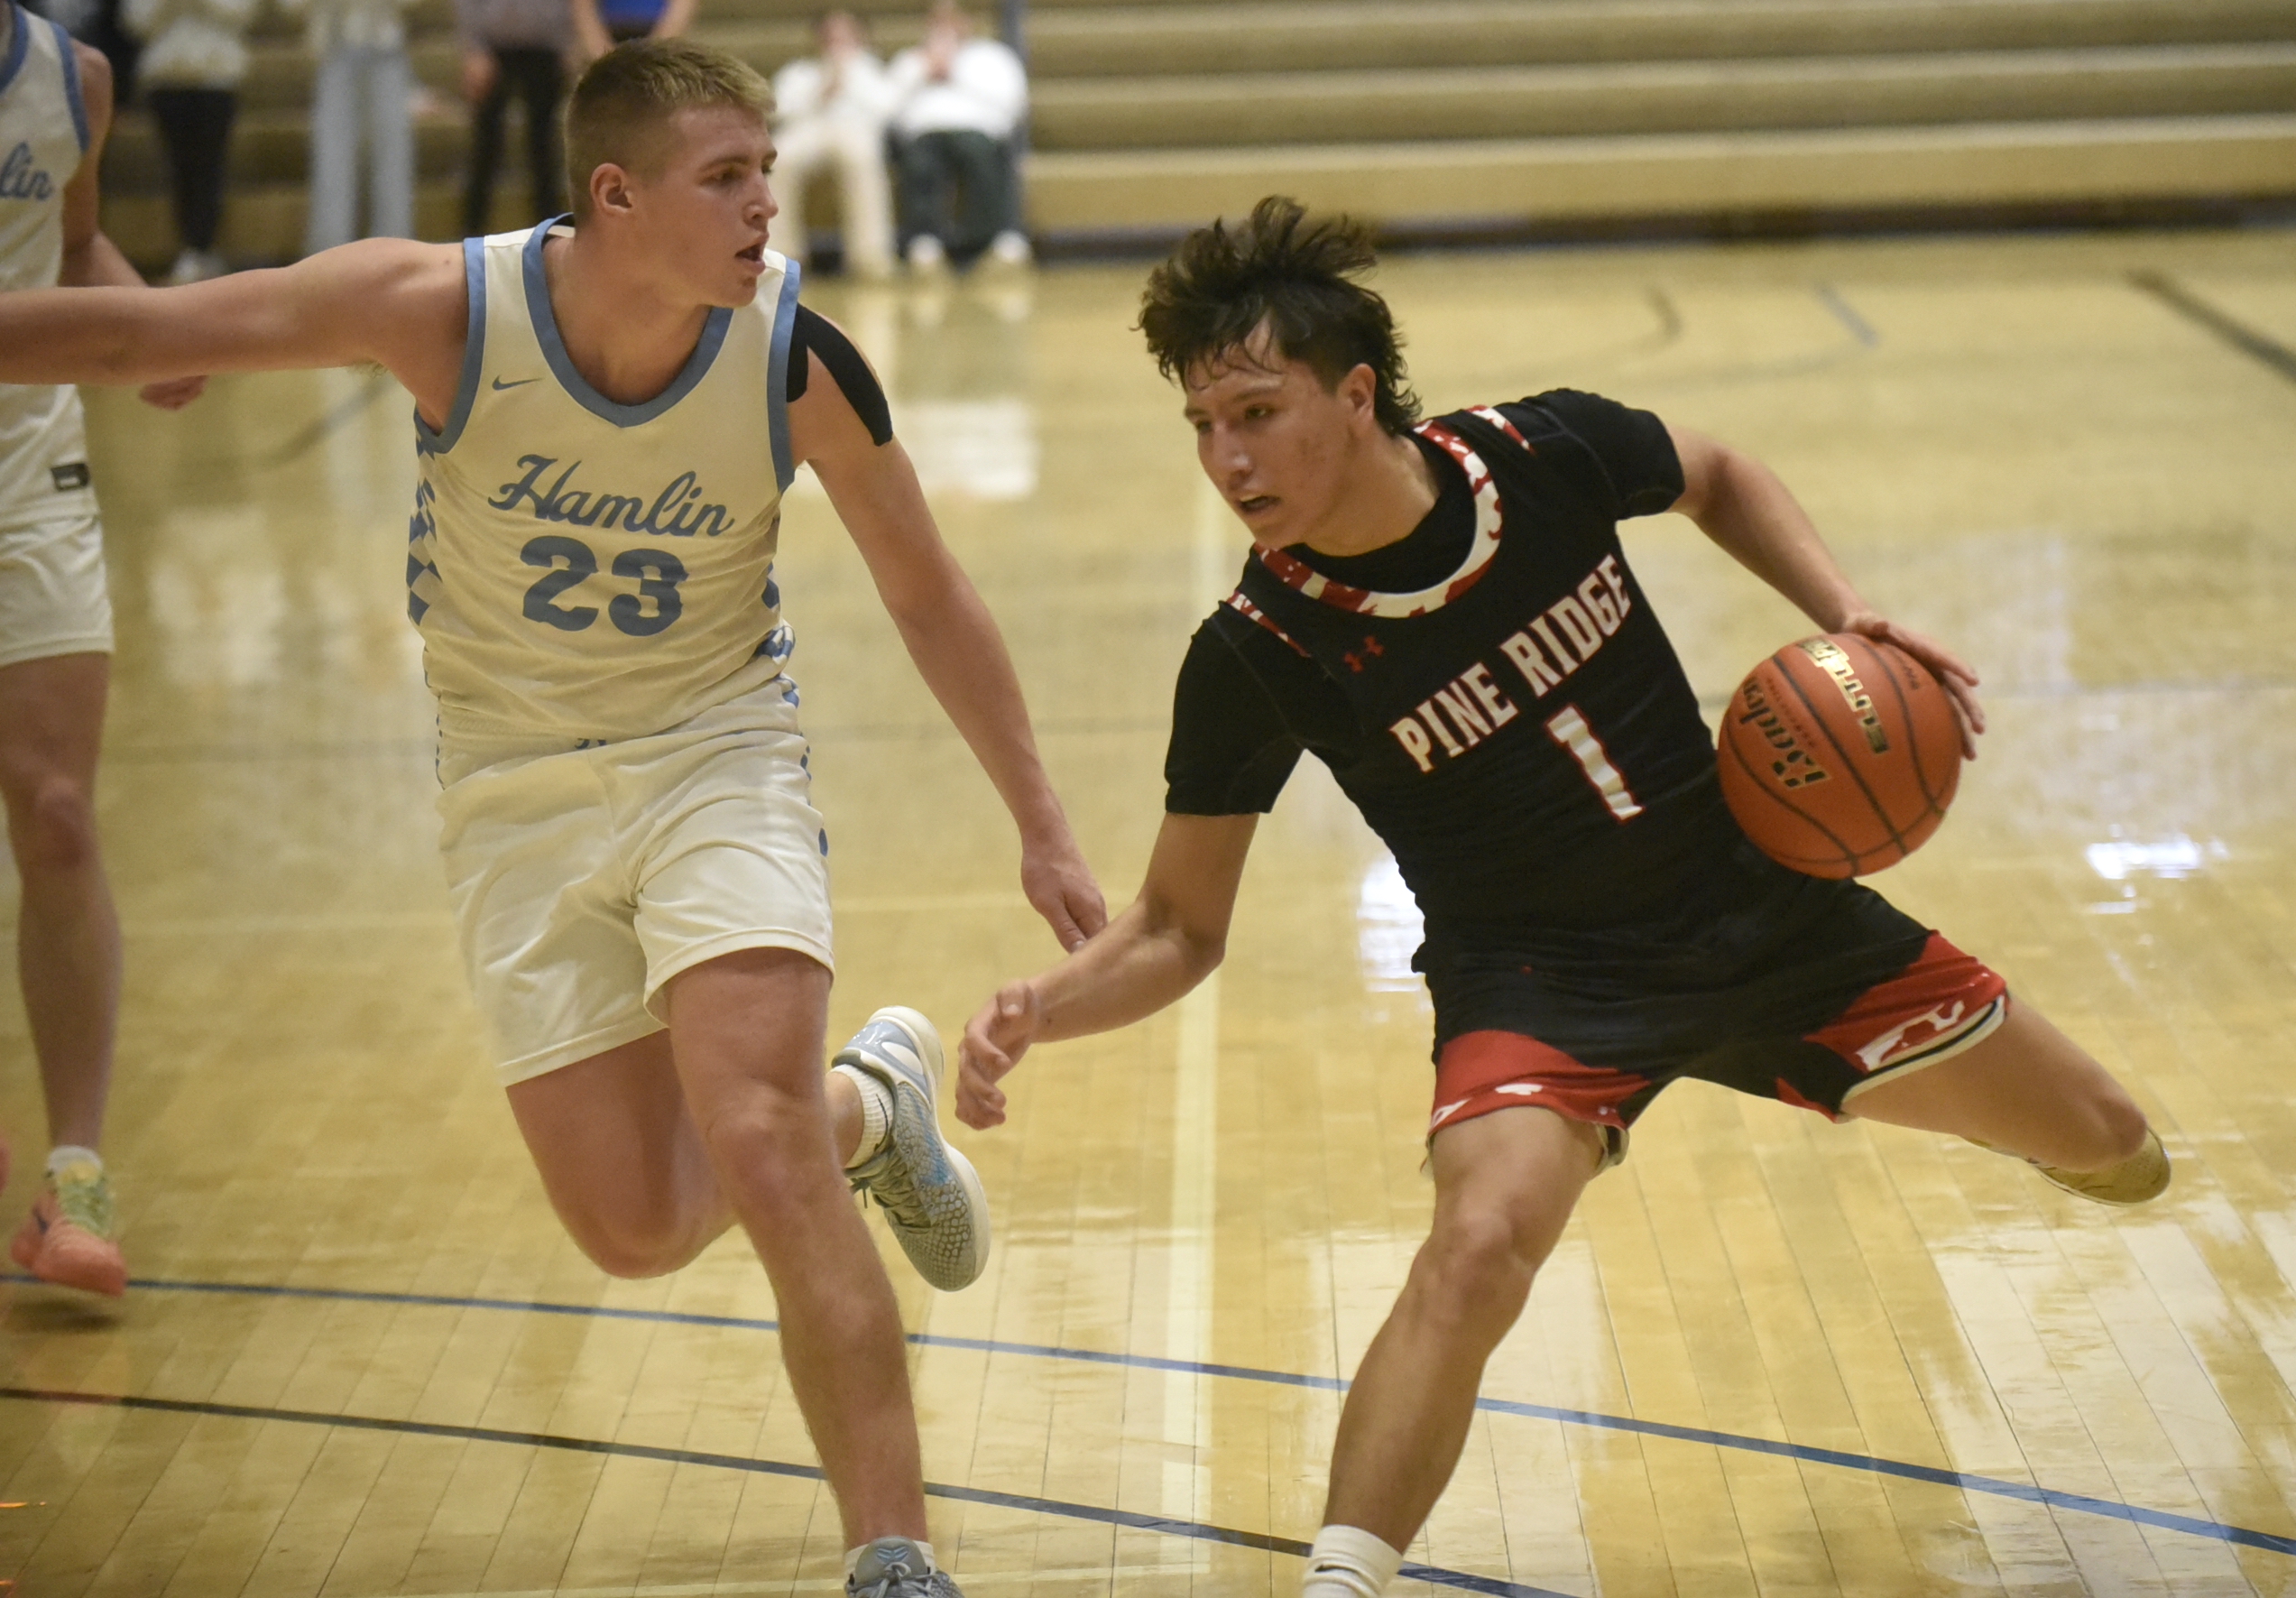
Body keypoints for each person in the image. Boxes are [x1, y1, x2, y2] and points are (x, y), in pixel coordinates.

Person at [0, 40, 1103, 1595]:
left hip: (716, 757)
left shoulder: (792, 356)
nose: (762, 207)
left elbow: (928, 593)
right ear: (616, 195)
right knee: (638, 1229)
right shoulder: (444, 310)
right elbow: (145, 327)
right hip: (509, 786)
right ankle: (879, 1105)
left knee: (762, 1142)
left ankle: (895, 1553)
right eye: (727, 178)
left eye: (765, 174)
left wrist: (1042, 823)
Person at [955, 197, 2169, 1598]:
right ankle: (1342, 1581)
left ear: (1355, 395)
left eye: (1255, 410)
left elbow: (1715, 469)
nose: (1227, 457)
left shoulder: (1535, 453)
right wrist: (1040, 1007)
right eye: (1203, 425)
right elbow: (1178, 925)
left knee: (2119, 1144)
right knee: (1474, 1244)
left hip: (1768, 911)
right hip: (1542, 986)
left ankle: (1972, 1099)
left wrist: (1843, 614)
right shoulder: (1258, 645)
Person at [0, 0, 203, 1297]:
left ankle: (74, 1169)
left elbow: (70, 249)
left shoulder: (68, 79)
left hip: (26, 474)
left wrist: (157, 331)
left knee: (61, 813)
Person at [885, 0, 1024, 273]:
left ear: (967, 22)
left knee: (980, 156)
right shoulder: (910, 60)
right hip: (924, 134)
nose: (945, 27)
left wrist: (954, 72)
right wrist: (922, 72)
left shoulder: (992, 56)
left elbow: (1012, 101)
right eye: (938, 20)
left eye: (952, 19)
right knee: (919, 161)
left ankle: (987, 241)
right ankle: (925, 241)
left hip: (978, 131)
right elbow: (886, 108)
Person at [123, 0, 253, 282]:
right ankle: (188, 248)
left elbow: (242, 12)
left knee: (211, 166)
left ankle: (203, 247)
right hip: (166, 77)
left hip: (217, 77)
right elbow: (135, 19)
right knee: (179, 168)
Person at [768, 9, 894, 280]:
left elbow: (887, 110)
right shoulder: (799, 71)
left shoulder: (870, 69)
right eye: (830, 33)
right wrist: (821, 91)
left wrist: (846, 78)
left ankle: (870, 259)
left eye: (844, 32)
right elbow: (781, 111)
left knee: (862, 159)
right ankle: (781, 258)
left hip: (854, 130)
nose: (836, 39)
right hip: (807, 128)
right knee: (780, 160)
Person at [284, 0, 415, 254]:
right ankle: (328, 255)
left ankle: (395, 254)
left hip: (385, 47)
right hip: (334, 47)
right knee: (332, 160)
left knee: (392, 159)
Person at [456, 0, 570, 236]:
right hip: (493, 46)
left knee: (543, 147)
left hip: (545, 46)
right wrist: (473, 48)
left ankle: (551, 238)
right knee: (486, 146)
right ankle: (472, 234)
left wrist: (568, 41)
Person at [572, 0, 689, 54]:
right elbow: (582, 7)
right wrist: (599, 48)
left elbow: (683, 5)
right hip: (608, 34)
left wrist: (658, 46)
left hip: (658, 34)